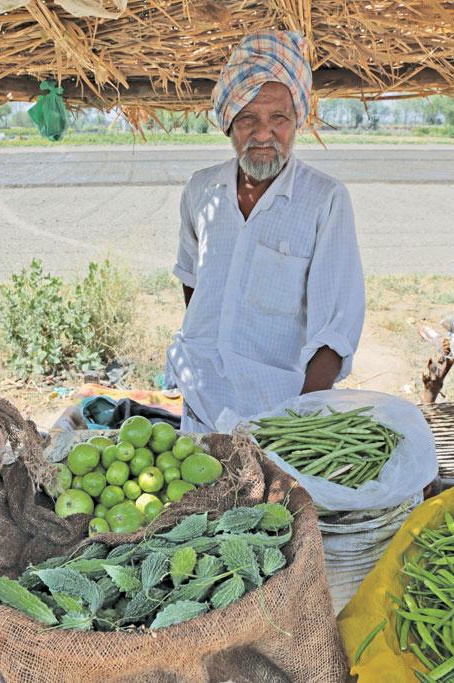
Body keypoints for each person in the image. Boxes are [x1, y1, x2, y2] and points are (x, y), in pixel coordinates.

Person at [166, 30, 365, 433]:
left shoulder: (324, 200)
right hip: (202, 401)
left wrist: (300, 426)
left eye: (278, 119)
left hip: (277, 411)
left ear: (297, 122)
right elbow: (194, 283)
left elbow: (336, 328)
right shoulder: (201, 190)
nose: (262, 134)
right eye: (248, 119)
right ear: (228, 124)